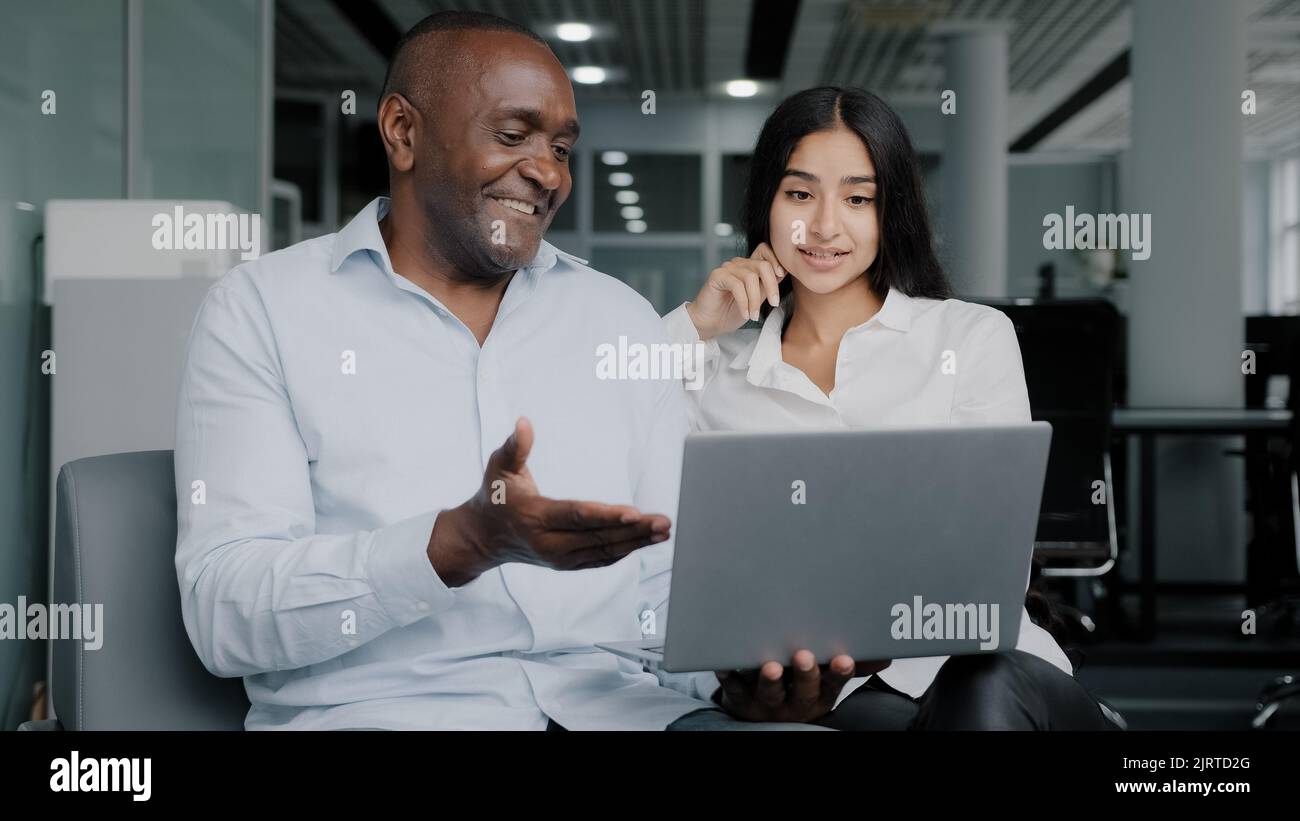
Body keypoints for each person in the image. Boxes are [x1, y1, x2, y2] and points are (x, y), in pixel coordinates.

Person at [173, 10, 876, 731]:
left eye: (562, 149)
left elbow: (666, 597)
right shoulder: (261, 311)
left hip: (627, 714)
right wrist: (452, 546)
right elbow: (225, 612)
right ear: (402, 131)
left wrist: (740, 680)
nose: (547, 173)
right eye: (512, 136)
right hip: (389, 714)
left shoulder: (619, 322)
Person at [661, 86, 1119, 730]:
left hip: (976, 669)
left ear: (890, 211)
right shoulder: (708, 367)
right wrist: (693, 324)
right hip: (809, 685)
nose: (823, 226)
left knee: (979, 687)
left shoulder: (970, 336)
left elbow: (991, 566)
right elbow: (599, 450)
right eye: (799, 194)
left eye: (857, 198)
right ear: (765, 203)